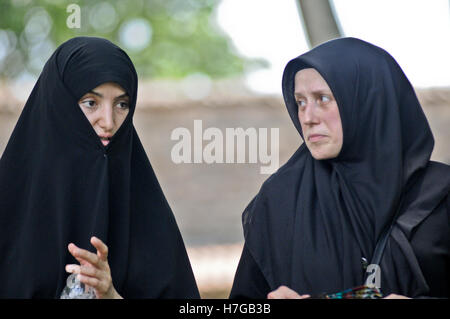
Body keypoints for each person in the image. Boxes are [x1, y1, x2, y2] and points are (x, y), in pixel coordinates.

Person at [229, 37, 449, 299]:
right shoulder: (280, 201)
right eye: (300, 102)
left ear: (369, 102)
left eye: (323, 98)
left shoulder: (441, 198)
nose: (308, 117)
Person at [0, 37, 199, 299]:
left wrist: (111, 295)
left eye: (121, 104)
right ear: (58, 105)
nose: (108, 121)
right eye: (91, 103)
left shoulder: (148, 215)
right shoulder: (7, 205)